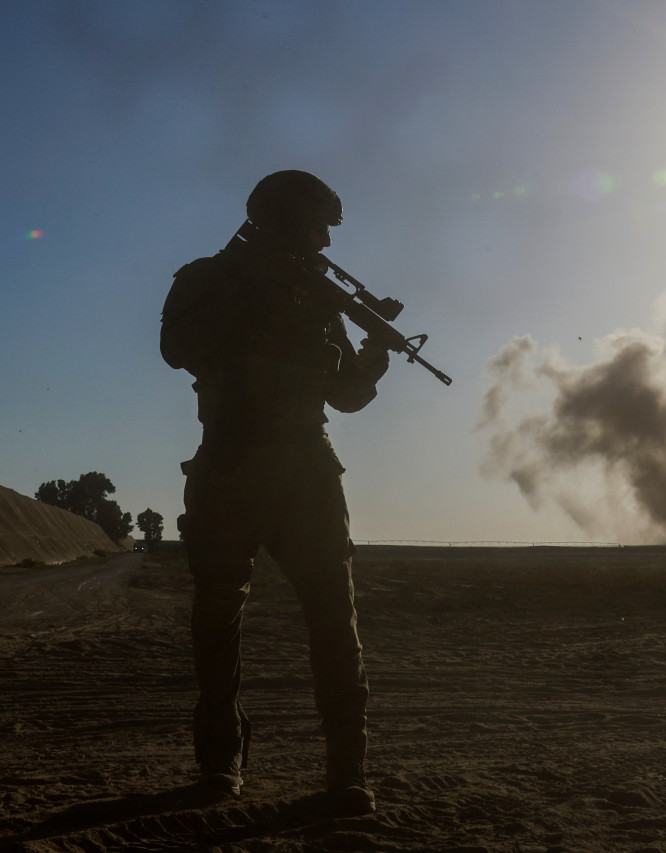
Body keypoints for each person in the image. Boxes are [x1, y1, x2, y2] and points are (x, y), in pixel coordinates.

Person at [160, 171, 390, 815]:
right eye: (316, 226)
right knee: (216, 625)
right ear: (284, 221)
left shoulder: (314, 297)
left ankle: (346, 774)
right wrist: (261, 299)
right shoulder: (207, 278)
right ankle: (220, 767)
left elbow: (344, 398)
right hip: (232, 460)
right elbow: (178, 349)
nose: (323, 241)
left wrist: (372, 353)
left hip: (304, 469)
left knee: (333, 626)